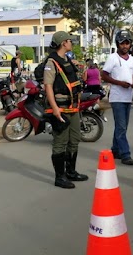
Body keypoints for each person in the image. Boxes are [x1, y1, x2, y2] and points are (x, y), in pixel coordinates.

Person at [43, 31, 88, 189]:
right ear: (63, 43)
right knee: (60, 142)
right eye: (70, 41)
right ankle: (59, 177)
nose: (71, 43)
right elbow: (48, 86)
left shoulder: (66, 59)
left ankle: (71, 171)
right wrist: (54, 108)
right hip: (61, 107)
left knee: (74, 139)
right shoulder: (51, 62)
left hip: (72, 106)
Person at [101, 30, 133, 166]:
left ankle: (115, 150)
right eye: (122, 43)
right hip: (117, 97)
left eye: (127, 43)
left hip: (128, 97)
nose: (125, 46)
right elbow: (104, 75)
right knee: (121, 127)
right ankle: (125, 154)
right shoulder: (112, 58)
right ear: (118, 44)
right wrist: (119, 83)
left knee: (122, 126)